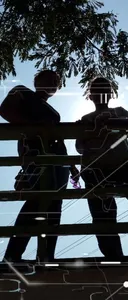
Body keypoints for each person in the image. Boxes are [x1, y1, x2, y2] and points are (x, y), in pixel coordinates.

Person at [75, 77, 128, 259]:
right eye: (96, 89)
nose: (101, 93)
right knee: (103, 215)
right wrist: (86, 130)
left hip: (124, 166)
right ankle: (114, 256)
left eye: (105, 89)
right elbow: (80, 147)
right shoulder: (85, 119)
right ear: (90, 95)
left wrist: (114, 122)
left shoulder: (119, 111)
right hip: (96, 170)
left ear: (111, 94)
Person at [1, 69, 74, 263]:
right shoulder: (22, 92)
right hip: (36, 156)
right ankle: (12, 256)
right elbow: (5, 110)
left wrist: (71, 165)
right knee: (35, 202)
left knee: (55, 207)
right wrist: (34, 127)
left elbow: (58, 138)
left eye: (55, 82)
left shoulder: (54, 113)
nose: (52, 83)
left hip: (59, 162)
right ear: (37, 80)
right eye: (48, 79)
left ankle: (47, 255)